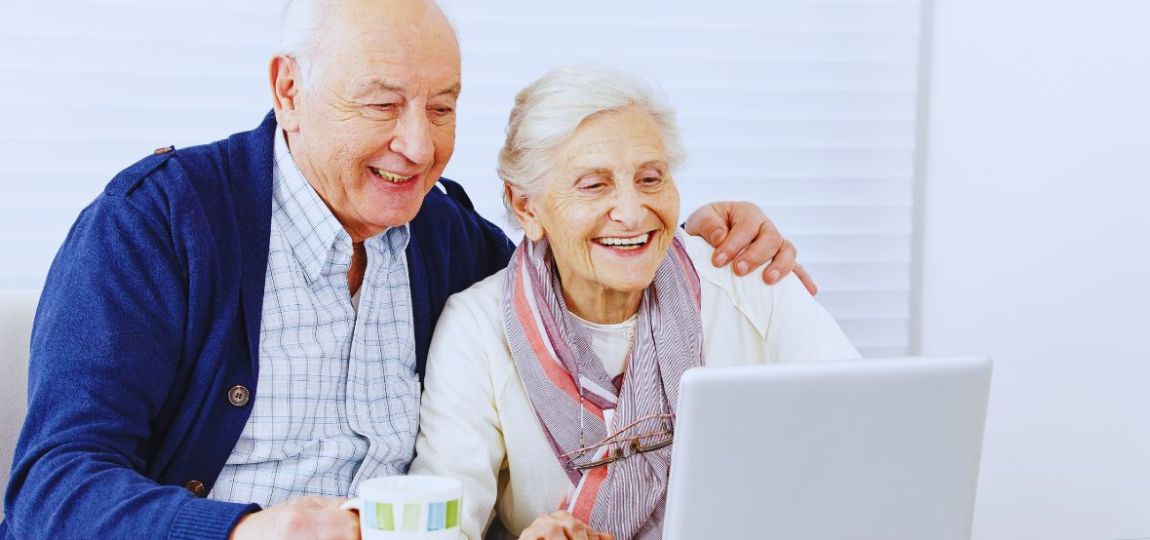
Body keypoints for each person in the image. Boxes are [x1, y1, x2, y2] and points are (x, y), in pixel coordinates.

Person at [0, 2, 811, 539]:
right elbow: (49, 493)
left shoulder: (450, 242)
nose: (418, 147)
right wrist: (243, 530)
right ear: (289, 89)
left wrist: (690, 240)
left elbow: (567, 272)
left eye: (444, 106)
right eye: (383, 105)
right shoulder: (157, 226)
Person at [408, 66, 861, 540]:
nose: (631, 213)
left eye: (650, 179)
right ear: (526, 207)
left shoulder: (749, 279)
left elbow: (865, 435)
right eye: (593, 185)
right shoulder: (476, 328)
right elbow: (438, 525)